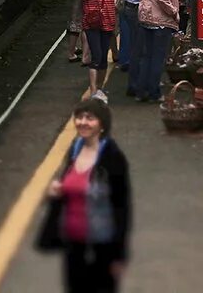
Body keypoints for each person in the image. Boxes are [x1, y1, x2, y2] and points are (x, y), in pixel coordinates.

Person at [38, 98, 131, 293]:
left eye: (90, 118)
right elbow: (67, 183)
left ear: (102, 124)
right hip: (73, 242)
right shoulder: (75, 149)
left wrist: (119, 255)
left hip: (102, 243)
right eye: (79, 117)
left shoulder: (113, 158)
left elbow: (122, 207)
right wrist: (56, 190)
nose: (83, 122)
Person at [132, 0, 186, 101]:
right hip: (160, 21)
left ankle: (141, 91)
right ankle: (154, 92)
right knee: (157, 58)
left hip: (145, 17)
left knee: (147, 57)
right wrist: (173, 10)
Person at [79, 0, 118, 99]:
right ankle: (93, 90)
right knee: (96, 54)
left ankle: (100, 89)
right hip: (93, 17)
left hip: (108, 16)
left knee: (103, 57)